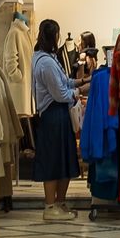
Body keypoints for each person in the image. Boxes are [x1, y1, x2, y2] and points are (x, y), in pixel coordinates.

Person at [31, 18, 88, 221]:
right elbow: (60, 94)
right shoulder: (45, 62)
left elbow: (63, 81)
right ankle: (50, 205)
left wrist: (82, 80)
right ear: (53, 36)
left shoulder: (48, 57)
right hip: (53, 115)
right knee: (53, 160)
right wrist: (80, 90)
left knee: (64, 159)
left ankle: (60, 202)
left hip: (60, 115)